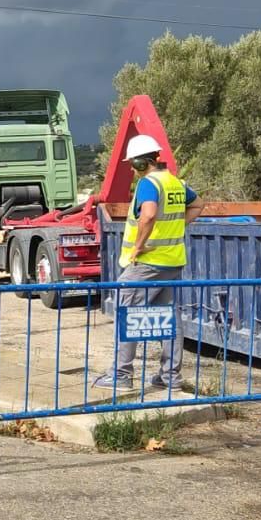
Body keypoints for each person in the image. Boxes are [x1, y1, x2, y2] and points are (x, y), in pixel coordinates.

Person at [93, 134, 204, 392]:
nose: (131, 169)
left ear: (142, 163)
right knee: (170, 318)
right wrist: (177, 226)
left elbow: (150, 214)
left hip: (147, 262)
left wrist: (140, 244)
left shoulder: (148, 183)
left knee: (126, 309)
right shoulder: (175, 183)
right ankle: (170, 377)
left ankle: (121, 375)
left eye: (133, 164)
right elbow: (198, 205)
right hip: (172, 262)